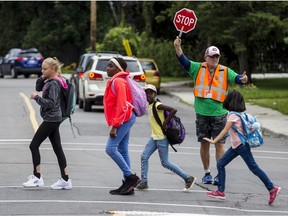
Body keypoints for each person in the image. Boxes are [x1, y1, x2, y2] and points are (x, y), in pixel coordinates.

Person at [174, 36, 248, 185]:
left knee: (219, 144)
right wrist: (177, 47)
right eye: (212, 56)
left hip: (220, 114)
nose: (214, 59)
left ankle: (219, 174)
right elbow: (183, 61)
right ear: (205, 57)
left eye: (217, 56)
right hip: (202, 113)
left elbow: (238, 78)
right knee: (204, 143)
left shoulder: (225, 71)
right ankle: (207, 173)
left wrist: (243, 79)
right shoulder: (197, 68)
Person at [204, 90, 281, 205]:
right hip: (237, 146)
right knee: (221, 164)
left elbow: (225, 130)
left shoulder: (233, 116)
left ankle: (272, 188)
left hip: (241, 146)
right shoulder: (240, 114)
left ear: (229, 101)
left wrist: (214, 140)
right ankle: (220, 191)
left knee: (254, 168)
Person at [23, 57, 72, 190]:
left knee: (33, 146)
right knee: (57, 148)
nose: (42, 71)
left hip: (51, 118)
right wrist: (43, 77)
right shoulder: (53, 80)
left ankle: (37, 177)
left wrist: (36, 98)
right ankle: (65, 179)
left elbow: (51, 103)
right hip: (54, 118)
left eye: (45, 69)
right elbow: (39, 86)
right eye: (42, 68)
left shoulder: (53, 83)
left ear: (53, 69)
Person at [136, 84, 196, 192]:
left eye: (151, 92)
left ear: (155, 94)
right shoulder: (149, 106)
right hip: (154, 137)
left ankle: (188, 178)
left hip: (161, 138)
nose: (148, 95)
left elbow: (173, 109)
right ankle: (144, 182)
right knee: (144, 157)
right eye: (146, 93)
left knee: (165, 162)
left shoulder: (157, 105)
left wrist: (165, 122)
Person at [104, 57, 140, 195]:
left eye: (111, 66)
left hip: (124, 119)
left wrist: (115, 125)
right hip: (126, 117)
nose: (107, 68)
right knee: (123, 149)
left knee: (110, 148)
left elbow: (122, 105)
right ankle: (128, 185)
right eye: (107, 65)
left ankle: (130, 177)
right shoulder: (119, 80)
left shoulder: (118, 81)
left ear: (119, 69)